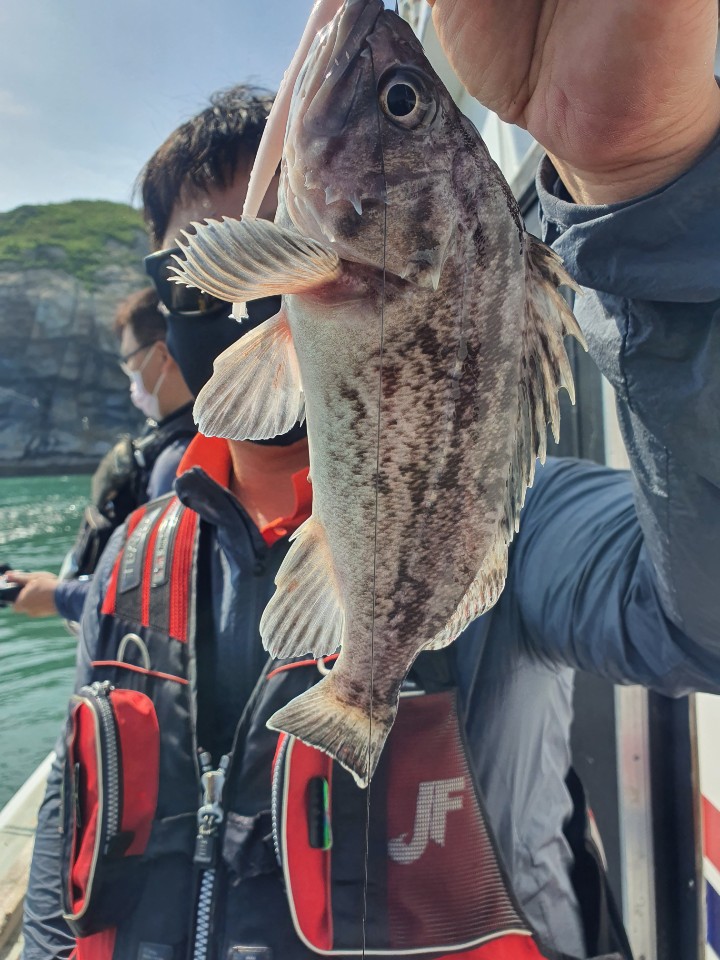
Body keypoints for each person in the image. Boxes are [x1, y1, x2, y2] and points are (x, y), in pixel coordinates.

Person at [22, 5, 720, 955]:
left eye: (269, 225)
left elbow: (702, 624)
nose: (250, 268)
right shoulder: (129, 561)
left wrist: (645, 178)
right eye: (201, 262)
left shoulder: (516, 522)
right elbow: (66, 841)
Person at [8, 289, 196, 623]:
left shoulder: (177, 461)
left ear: (161, 355)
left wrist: (59, 596)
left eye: (129, 359)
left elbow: (156, 596)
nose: (129, 373)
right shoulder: (190, 442)